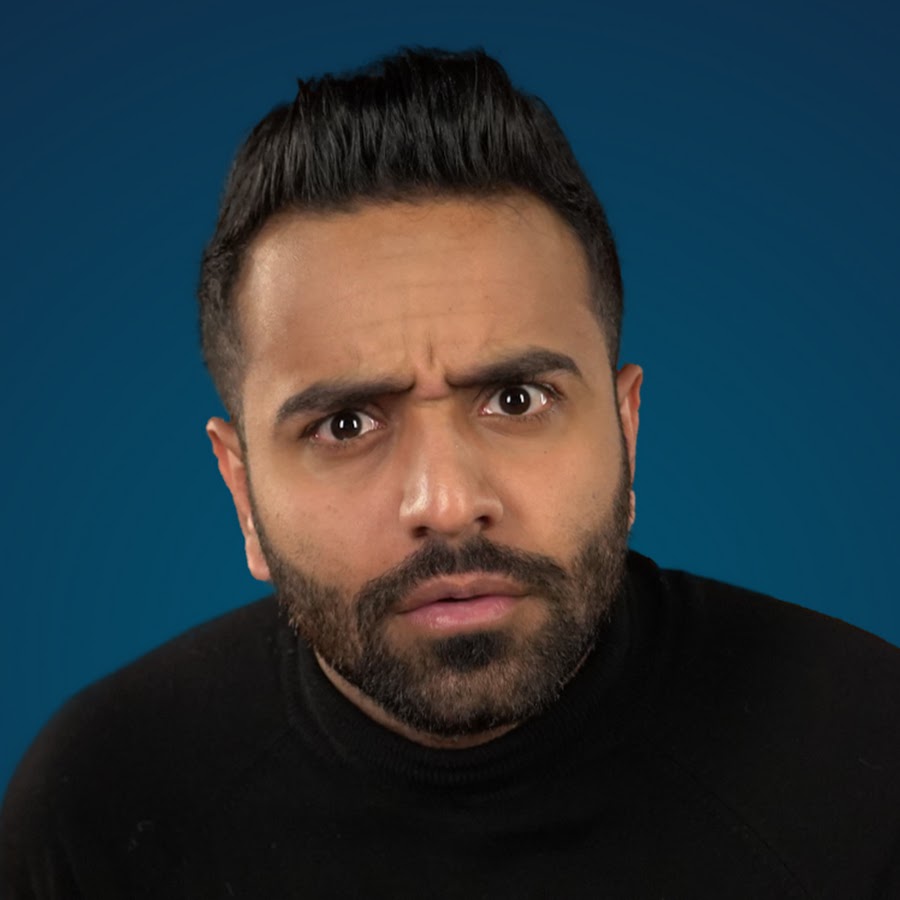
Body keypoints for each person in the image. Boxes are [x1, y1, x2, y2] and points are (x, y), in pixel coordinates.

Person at [1, 47, 898, 899]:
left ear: (627, 430)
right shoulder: (98, 805)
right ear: (240, 488)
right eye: (345, 424)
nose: (448, 502)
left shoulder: (867, 758)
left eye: (515, 399)